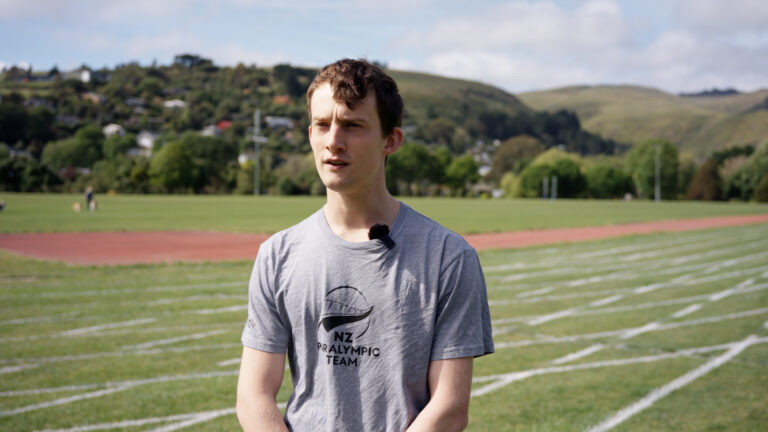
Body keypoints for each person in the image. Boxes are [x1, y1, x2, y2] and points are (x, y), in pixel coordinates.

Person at [237, 59, 494, 432]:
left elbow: (450, 408)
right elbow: (253, 396)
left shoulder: (448, 257)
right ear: (310, 133)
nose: (333, 141)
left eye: (353, 125)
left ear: (390, 140)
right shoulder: (277, 255)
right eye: (322, 125)